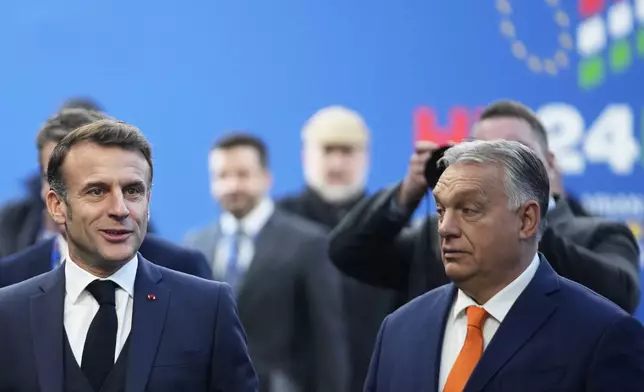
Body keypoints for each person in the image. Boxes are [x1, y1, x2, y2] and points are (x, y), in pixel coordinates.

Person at [364, 139, 644, 391]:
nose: (445, 228)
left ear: (526, 220)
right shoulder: (399, 329)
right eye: (441, 210)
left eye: (469, 210)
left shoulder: (602, 334)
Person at [0, 120, 258, 391]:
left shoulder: (208, 308)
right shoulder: (8, 314)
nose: (120, 209)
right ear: (56, 206)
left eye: (133, 191)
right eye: (97, 191)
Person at [329, 100, 640, 313]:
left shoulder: (599, 233)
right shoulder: (438, 235)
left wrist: (523, 222)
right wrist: (406, 193)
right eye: (479, 152)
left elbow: (620, 297)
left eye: (516, 152)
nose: (496, 165)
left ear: (550, 163)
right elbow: (348, 252)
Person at [185, 133, 349, 392]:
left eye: (242, 174)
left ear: (266, 177)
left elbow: (327, 341)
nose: (232, 185)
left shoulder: (308, 243)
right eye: (222, 176)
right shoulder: (194, 246)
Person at [277, 106, 396, 392]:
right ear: (306, 156)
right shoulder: (277, 226)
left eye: (347, 152)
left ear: (366, 158)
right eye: (328, 151)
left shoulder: (390, 227)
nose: (337, 163)